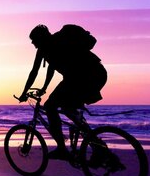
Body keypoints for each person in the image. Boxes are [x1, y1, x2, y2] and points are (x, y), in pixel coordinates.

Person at [18, 24, 107, 160]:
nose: (34, 44)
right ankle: (97, 146)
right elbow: (50, 70)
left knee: (49, 106)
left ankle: (62, 148)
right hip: (98, 73)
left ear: (41, 38)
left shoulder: (51, 46)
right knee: (68, 108)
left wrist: (24, 93)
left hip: (83, 77)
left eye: (35, 41)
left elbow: (35, 72)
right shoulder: (51, 46)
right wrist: (43, 88)